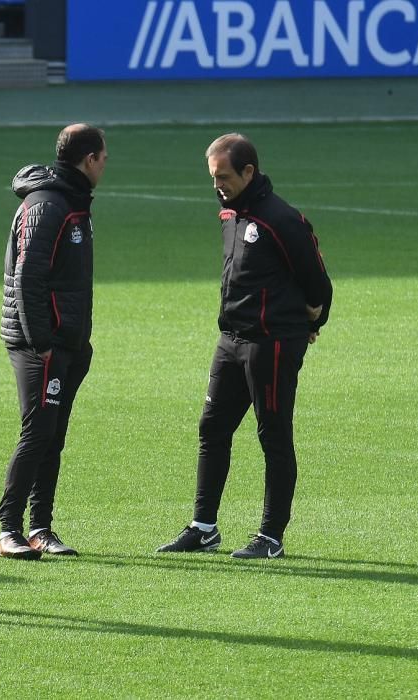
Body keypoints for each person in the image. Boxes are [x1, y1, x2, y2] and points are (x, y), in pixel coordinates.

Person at [157, 133, 333, 559]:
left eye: (224, 176)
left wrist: (310, 321)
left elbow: (317, 281)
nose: (217, 184)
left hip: (271, 343)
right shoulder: (231, 214)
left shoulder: (282, 218)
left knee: (273, 435)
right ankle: (204, 527)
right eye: (213, 176)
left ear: (249, 171)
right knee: (212, 428)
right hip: (231, 340)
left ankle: (271, 535)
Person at [0, 124, 107, 560]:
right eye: (103, 157)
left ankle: (40, 527)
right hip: (39, 343)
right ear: (90, 159)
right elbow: (27, 277)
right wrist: (42, 340)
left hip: (68, 342)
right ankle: (8, 529)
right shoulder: (47, 205)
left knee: (53, 434)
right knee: (37, 430)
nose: (105, 165)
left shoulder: (73, 202)